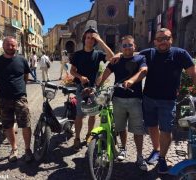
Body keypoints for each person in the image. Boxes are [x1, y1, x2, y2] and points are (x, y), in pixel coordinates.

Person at [140, 28, 196, 174]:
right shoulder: (148, 53)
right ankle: (156, 150)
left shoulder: (180, 54)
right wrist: (120, 54)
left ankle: (163, 159)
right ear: (155, 42)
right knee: (152, 126)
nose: (163, 42)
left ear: (171, 39)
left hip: (168, 100)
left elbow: (193, 73)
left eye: (166, 38)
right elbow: (129, 56)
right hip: (149, 98)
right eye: (159, 39)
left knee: (165, 129)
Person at [96, 35, 148, 171]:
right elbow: (105, 74)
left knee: (138, 130)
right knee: (120, 127)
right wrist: (96, 86)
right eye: (124, 45)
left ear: (134, 46)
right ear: (121, 47)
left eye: (129, 45)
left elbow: (143, 71)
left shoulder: (140, 58)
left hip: (135, 99)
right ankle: (123, 149)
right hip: (117, 99)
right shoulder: (116, 60)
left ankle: (140, 156)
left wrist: (132, 80)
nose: (127, 48)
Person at [0, 36, 33, 163]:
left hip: (20, 98)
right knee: (8, 125)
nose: (10, 47)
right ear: (3, 46)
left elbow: (25, 77)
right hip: (4, 99)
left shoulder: (22, 60)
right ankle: (14, 149)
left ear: (16, 47)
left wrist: (20, 89)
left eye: (13, 45)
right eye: (8, 44)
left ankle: (28, 149)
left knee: (26, 125)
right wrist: (0, 91)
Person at [70, 27, 114, 151]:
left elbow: (112, 57)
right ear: (84, 39)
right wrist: (80, 76)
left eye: (92, 38)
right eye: (88, 38)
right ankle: (77, 138)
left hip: (94, 88)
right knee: (79, 115)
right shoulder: (77, 55)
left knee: (93, 113)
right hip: (80, 88)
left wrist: (100, 40)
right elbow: (72, 71)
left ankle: (89, 135)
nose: (90, 40)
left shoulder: (98, 54)